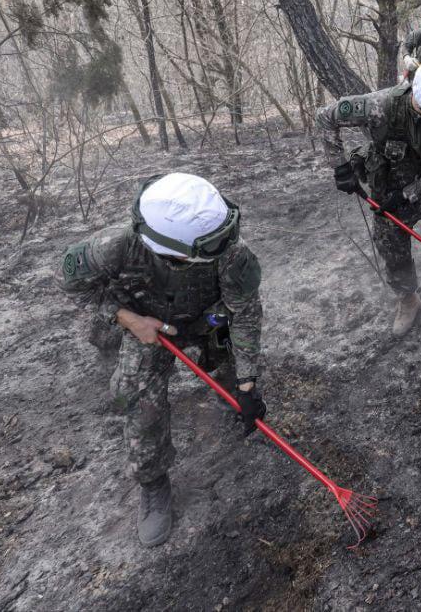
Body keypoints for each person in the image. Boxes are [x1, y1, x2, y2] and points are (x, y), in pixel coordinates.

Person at [56, 172, 265, 548]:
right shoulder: (114, 246)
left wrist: (249, 383)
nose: (226, 244)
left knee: (235, 369)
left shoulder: (231, 251)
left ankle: (233, 388)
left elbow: (246, 314)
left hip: (208, 318)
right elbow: (71, 284)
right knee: (134, 396)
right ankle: (153, 484)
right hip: (146, 326)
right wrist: (128, 319)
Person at [317, 56, 421, 334]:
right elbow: (325, 116)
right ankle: (408, 300)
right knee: (393, 251)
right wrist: (341, 167)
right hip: (387, 191)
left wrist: (411, 192)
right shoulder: (377, 106)